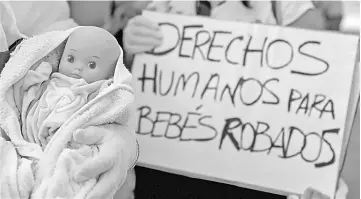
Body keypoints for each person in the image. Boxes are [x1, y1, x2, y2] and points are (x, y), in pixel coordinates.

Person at [120, 1, 348, 199]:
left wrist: (315, 179)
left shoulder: (286, 7)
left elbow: (316, 87)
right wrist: (129, 55)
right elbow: (130, 92)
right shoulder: (163, 5)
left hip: (254, 173)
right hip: (169, 172)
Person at [1, 2, 137, 199]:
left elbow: (51, 49)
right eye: (71, 60)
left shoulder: (40, 22)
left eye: (90, 65)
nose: (78, 68)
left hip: (66, 142)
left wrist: (125, 140)